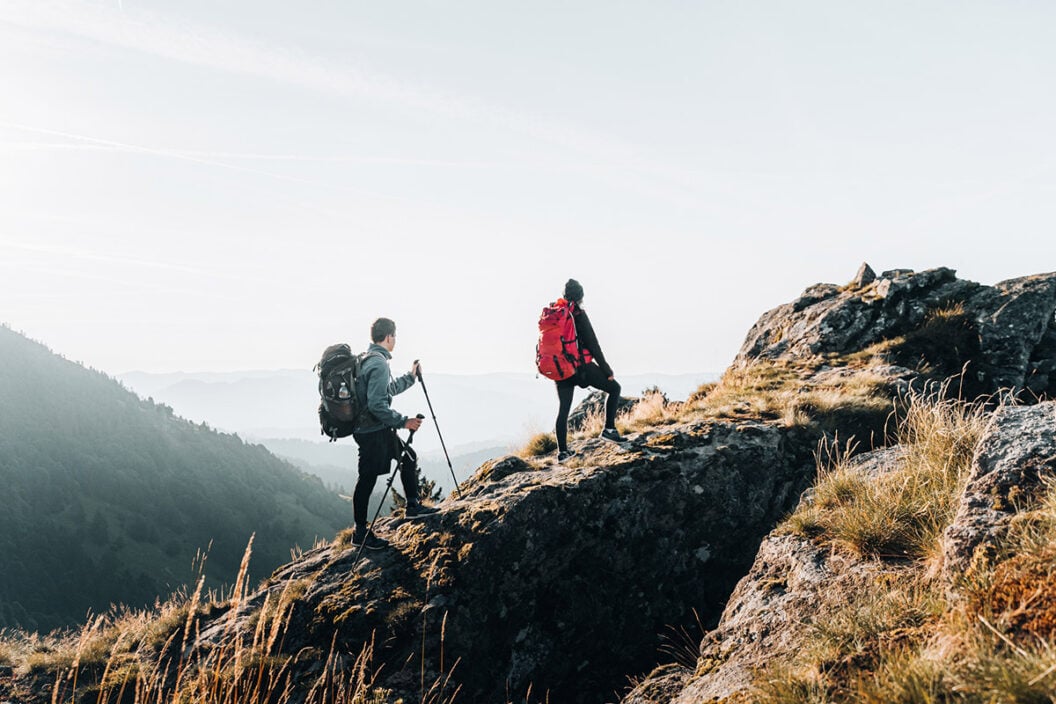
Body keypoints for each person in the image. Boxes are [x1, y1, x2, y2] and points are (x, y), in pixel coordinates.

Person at [351, 317, 438, 550]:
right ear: (389, 336)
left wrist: (410, 377)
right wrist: (404, 422)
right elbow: (377, 404)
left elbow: (385, 391)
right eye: (395, 336)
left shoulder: (367, 359)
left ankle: (412, 506)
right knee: (367, 479)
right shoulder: (378, 363)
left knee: (407, 457)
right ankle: (360, 532)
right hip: (373, 431)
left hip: (369, 429)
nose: (396, 340)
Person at [554, 279, 623, 462]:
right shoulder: (578, 315)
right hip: (581, 367)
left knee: (563, 410)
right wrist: (606, 369)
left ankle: (562, 453)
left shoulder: (556, 315)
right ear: (581, 297)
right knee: (615, 389)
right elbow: (593, 345)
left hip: (561, 369)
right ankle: (609, 430)